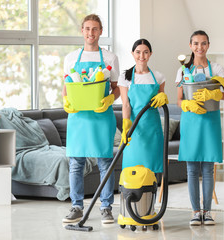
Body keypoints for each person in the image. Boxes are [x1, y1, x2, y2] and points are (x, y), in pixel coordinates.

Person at [61, 14, 120, 224]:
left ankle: (106, 207)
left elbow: (116, 89)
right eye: (87, 28)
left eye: (95, 29)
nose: (91, 33)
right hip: (78, 117)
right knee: (76, 162)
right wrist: (66, 102)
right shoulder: (70, 58)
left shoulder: (110, 58)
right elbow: (66, 86)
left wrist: (111, 99)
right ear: (82, 31)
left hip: (101, 116)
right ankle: (76, 206)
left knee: (104, 161)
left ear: (101, 31)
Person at [175, 30, 224, 226]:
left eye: (203, 43)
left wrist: (214, 95)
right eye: (196, 44)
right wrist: (186, 105)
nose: (200, 47)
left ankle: (207, 212)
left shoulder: (216, 69)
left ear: (208, 45)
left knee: (208, 168)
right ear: (190, 46)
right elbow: (179, 99)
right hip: (191, 121)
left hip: (210, 121)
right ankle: (195, 212)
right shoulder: (183, 70)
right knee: (191, 169)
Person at [118, 38, 168, 175]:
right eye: (138, 52)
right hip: (134, 128)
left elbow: (161, 101)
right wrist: (126, 124)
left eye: (145, 52)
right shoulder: (125, 77)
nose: (142, 56)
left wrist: (163, 96)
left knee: (152, 170)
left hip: (152, 127)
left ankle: (151, 195)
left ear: (150, 54)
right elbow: (126, 104)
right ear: (132, 53)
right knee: (132, 168)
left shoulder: (158, 77)